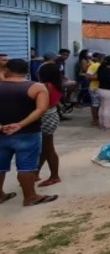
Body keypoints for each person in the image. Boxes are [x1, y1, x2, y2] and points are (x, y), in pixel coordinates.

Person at [0, 59, 58, 206]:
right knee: (27, 166)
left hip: (1, 134)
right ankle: (30, 196)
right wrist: (20, 125)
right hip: (28, 133)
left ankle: (0, 195)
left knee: (0, 166)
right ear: (27, 71)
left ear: (7, 70)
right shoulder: (36, 87)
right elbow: (41, 109)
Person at [36, 62, 63, 187]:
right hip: (52, 115)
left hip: (45, 117)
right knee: (45, 148)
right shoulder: (56, 85)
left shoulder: (45, 86)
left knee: (48, 148)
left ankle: (54, 176)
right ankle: (36, 172)